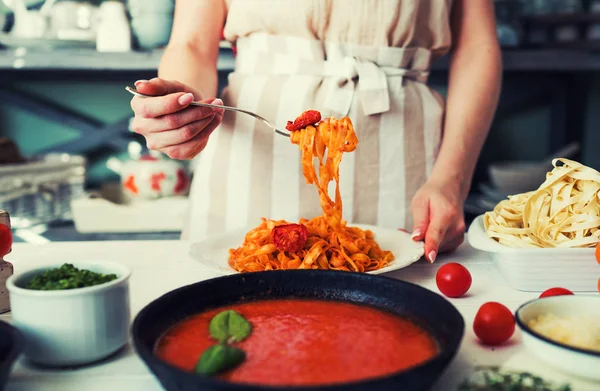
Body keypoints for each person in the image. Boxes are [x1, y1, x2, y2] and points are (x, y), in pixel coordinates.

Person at [130, 0, 501, 263]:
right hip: (250, 157)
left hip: (400, 155)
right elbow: (192, 43)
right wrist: (183, 104)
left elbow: (477, 46)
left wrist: (452, 180)